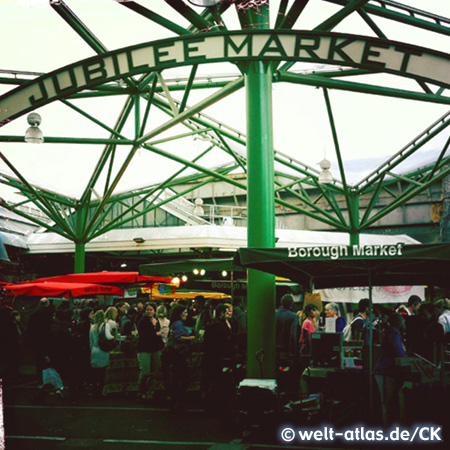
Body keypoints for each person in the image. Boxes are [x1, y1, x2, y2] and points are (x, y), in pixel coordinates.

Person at [374, 313, 406, 427]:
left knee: (388, 402)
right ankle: (387, 429)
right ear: (398, 322)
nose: (404, 322)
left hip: (386, 371)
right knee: (387, 403)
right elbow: (399, 352)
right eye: (402, 320)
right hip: (385, 372)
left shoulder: (392, 333)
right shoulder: (394, 334)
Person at [201, 303, 233, 415]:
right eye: (227, 312)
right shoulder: (219, 326)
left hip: (210, 357)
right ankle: (213, 406)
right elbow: (223, 342)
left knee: (211, 382)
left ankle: (210, 406)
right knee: (216, 382)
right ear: (222, 313)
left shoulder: (213, 324)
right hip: (216, 358)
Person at [164, 304, 195, 412]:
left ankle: (176, 401)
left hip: (175, 354)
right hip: (179, 354)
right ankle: (179, 400)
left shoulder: (175, 323)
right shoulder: (179, 324)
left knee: (177, 378)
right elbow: (179, 337)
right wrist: (192, 338)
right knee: (183, 378)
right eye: (185, 312)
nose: (186, 314)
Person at [136, 303, 164, 403]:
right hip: (144, 349)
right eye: (147, 310)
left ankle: (149, 393)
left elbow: (157, 335)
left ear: (154, 311)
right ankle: (140, 392)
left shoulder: (156, 321)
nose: (149, 311)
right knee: (145, 372)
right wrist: (155, 332)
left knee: (154, 373)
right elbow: (145, 336)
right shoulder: (142, 321)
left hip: (155, 349)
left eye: (151, 309)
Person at [26, 297, 54, 383]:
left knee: (39, 361)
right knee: (49, 361)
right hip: (48, 341)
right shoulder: (50, 315)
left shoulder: (34, 315)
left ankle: (40, 378)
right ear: (47, 304)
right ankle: (49, 379)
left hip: (38, 342)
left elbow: (30, 330)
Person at [89, 310, 109, 397]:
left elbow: (90, 341)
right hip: (103, 351)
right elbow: (109, 338)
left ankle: (94, 391)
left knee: (94, 373)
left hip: (94, 350)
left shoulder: (92, 327)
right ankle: (101, 391)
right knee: (102, 373)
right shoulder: (105, 326)